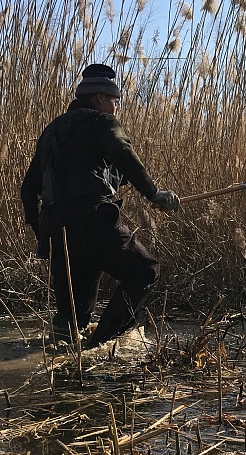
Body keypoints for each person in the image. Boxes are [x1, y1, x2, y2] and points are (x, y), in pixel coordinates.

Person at [20, 64, 180, 349]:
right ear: (99, 98)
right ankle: (100, 345)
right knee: (145, 272)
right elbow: (124, 155)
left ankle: (67, 358)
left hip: (56, 227)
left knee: (73, 316)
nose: (116, 108)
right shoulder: (103, 122)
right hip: (92, 220)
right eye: (115, 101)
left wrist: (42, 233)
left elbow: (28, 189)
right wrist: (154, 194)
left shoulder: (51, 131)